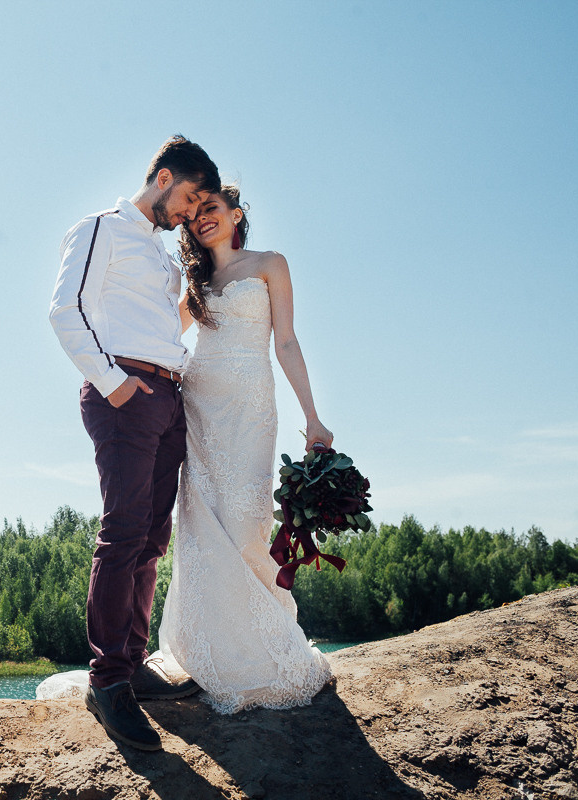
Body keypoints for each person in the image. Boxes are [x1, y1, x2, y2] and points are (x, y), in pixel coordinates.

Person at [46, 135, 220, 751]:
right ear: (165, 177)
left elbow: (161, 322)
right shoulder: (101, 227)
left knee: (152, 537)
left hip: (168, 397)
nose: (191, 214)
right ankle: (108, 682)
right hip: (126, 393)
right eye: (191, 198)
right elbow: (65, 310)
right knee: (122, 532)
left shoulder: (162, 253)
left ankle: (134, 663)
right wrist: (117, 385)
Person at [154, 184, 335, 713]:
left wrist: (313, 416)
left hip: (251, 406)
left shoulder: (269, 264)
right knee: (201, 521)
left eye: (211, 208)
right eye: (194, 215)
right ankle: (212, 653)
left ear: (236, 214)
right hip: (200, 402)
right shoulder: (197, 282)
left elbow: (287, 342)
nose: (202, 219)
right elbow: (163, 331)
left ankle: (262, 647)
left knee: (246, 516)